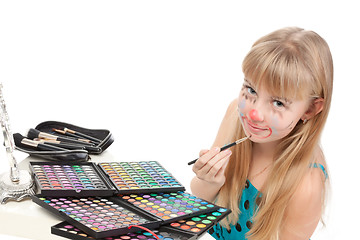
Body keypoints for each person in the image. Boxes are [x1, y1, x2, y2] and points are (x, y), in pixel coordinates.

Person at [190, 27, 333, 240]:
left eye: (278, 102)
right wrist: (209, 182)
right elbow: (201, 203)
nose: (255, 114)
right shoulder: (235, 115)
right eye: (251, 90)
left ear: (310, 110)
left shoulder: (306, 184)